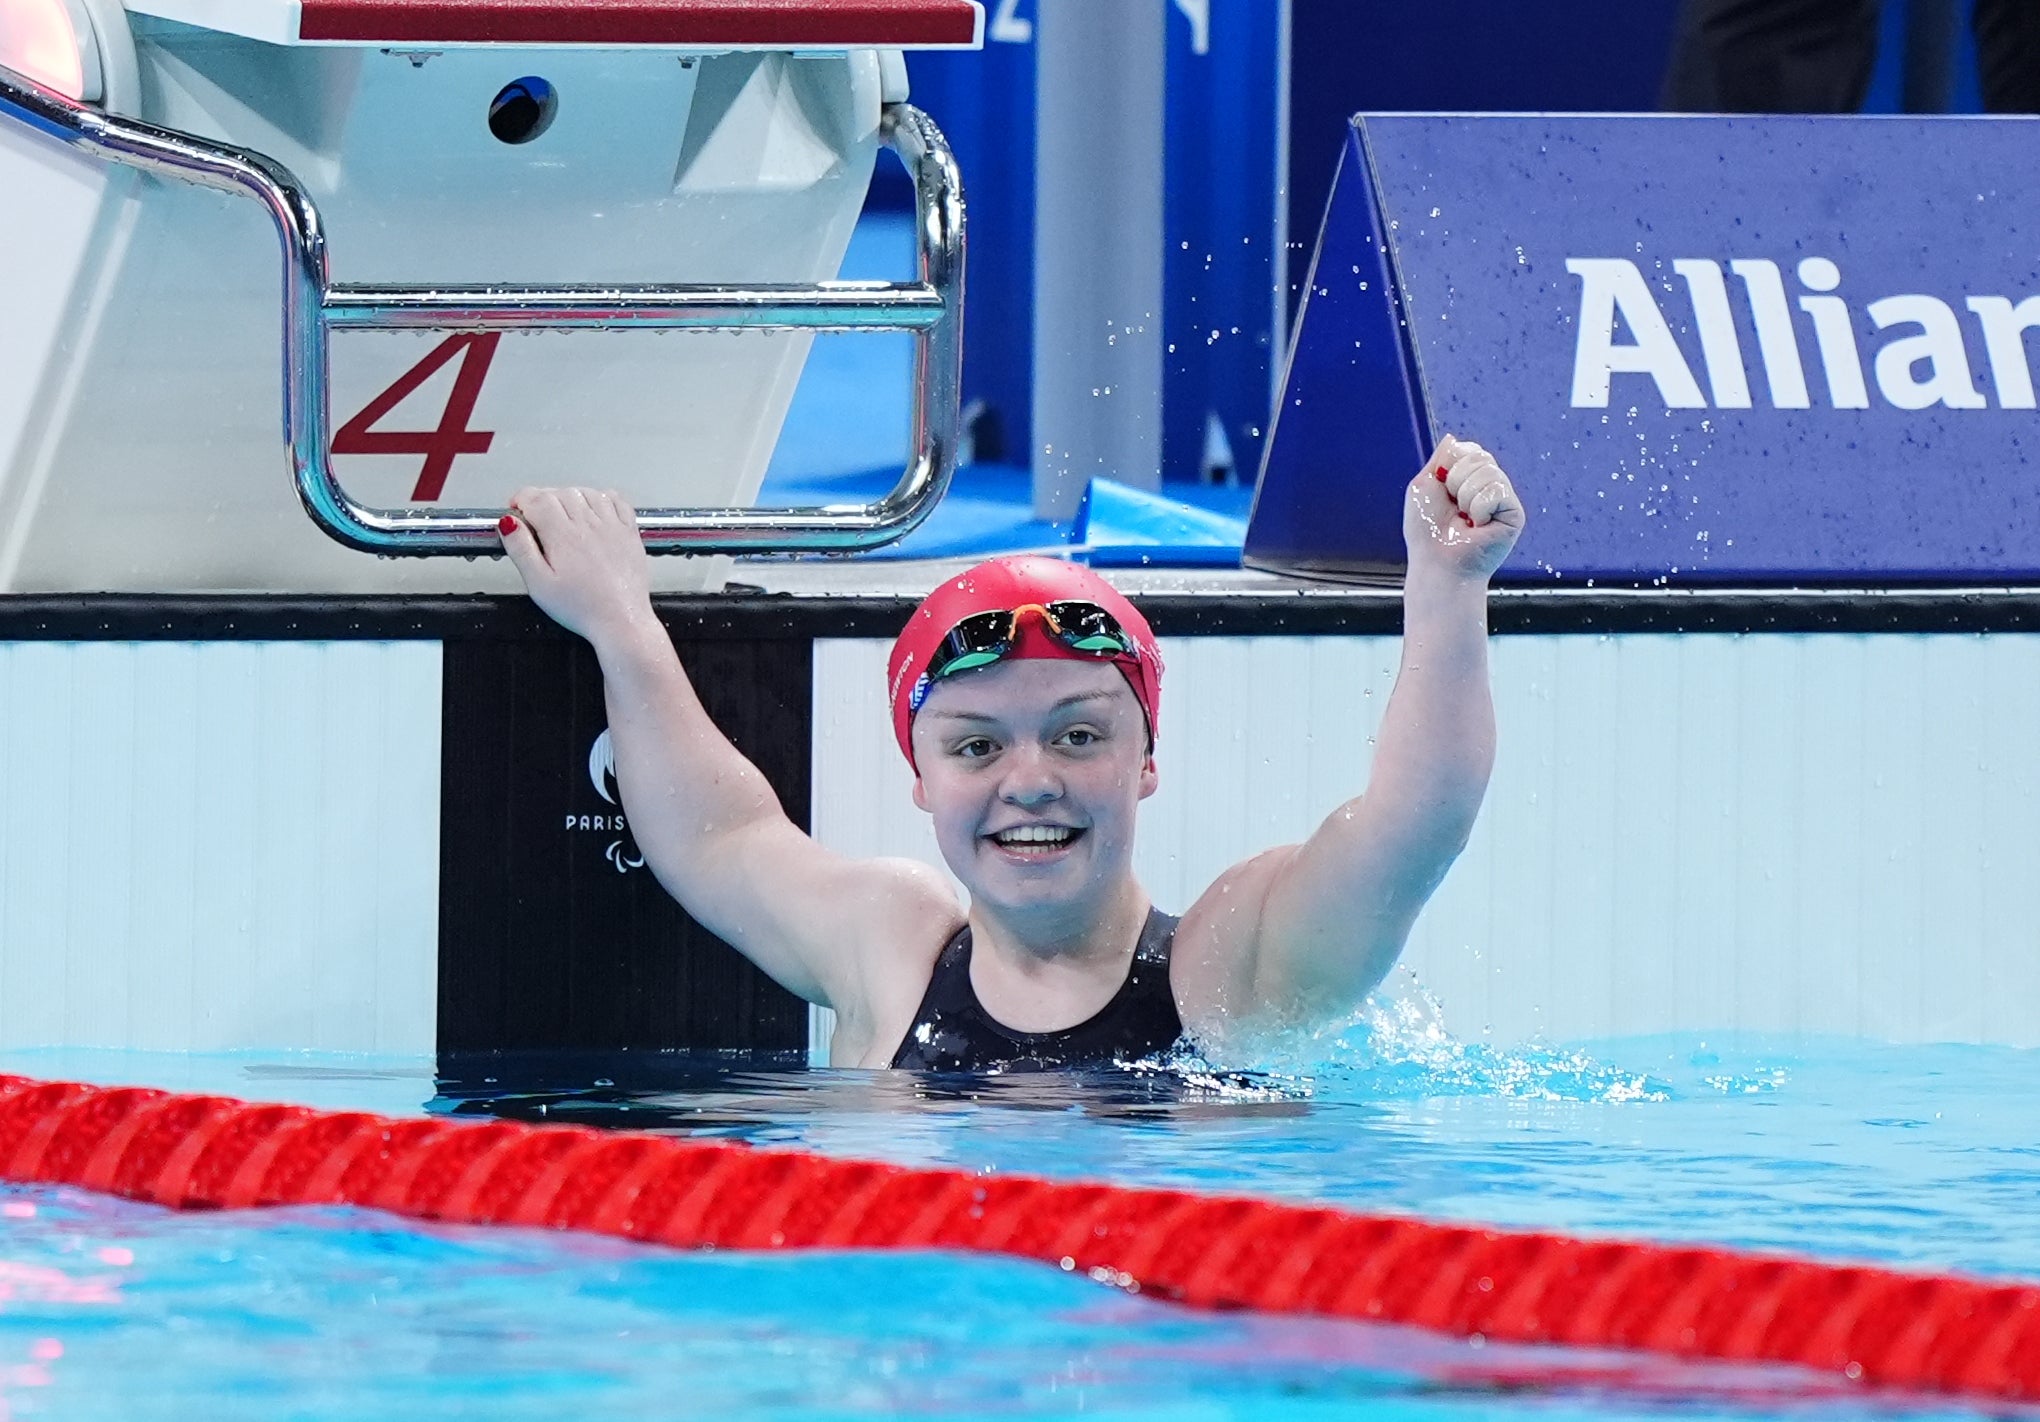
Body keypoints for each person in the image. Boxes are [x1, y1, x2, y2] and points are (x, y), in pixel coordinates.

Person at [498, 436, 1524, 1070]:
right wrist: (618, 620)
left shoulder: (1229, 971)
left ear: (1146, 760)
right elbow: (720, 837)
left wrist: (1447, 587)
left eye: (1078, 735)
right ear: (920, 775)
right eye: (977, 745)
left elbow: (1413, 823)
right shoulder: (887, 950)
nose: (1029, 782)